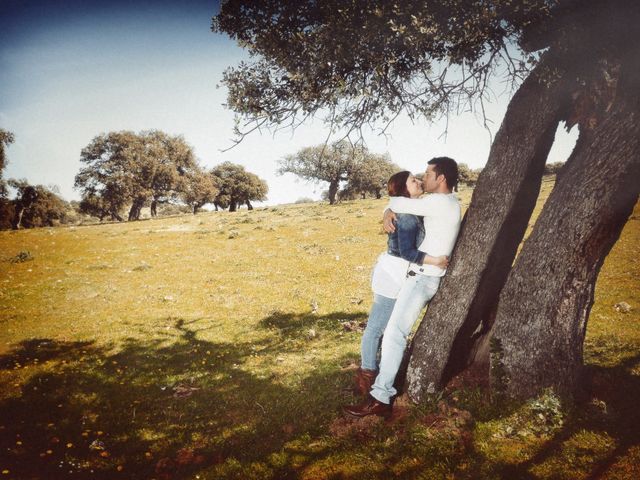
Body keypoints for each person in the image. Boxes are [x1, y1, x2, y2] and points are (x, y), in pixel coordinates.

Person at [344, 157, 461, 419]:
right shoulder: (449, 203)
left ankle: (380, 396)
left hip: (422, 278)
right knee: (392, 332)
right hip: (421, 275)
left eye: (428, 173)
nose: (424, 177)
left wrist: (389, 209)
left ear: (441, 178)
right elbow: (398, 203)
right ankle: (379, 389)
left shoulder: (437, 203)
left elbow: (397, 201)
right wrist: (388, 210)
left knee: (394, 334)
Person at [355, 171, 449, 397]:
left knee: (387, 328)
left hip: (398, 274)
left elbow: (393, 204)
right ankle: (367, 375)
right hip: (392, 275)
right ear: (403, 189)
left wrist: (387, 210)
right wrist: (435, 260)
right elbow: (407, 252)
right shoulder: (406, 215)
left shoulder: (411, 208)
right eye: (412, 181)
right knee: (376, 328)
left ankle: (375, 371)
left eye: (418, 179)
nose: (418, 181)